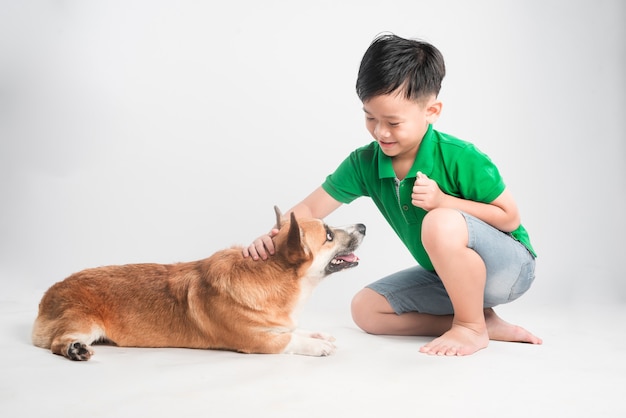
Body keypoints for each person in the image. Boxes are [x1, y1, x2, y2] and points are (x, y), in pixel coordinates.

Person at [243, 33, 542, 356]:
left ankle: (470, 329)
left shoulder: (460, 156)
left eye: (393, 122)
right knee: (366, 310)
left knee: (440, 222)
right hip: (449, 277)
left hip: (508, 269)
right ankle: (479, 320)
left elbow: (510, 218)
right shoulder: (365, 163)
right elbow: (311, 208)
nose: (380, 132)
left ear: (432, 111)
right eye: (370, 117)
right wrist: (275, 236)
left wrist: (444, 202)